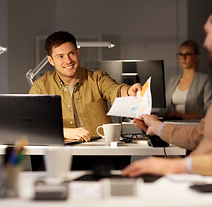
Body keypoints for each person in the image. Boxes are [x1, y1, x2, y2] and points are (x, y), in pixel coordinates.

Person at [122, 0, 212, 176]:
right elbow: (201, 136)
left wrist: (177, 167)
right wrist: (156, 127)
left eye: (208, 34)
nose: (205, 43)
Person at [29, 31, 142, 170]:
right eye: (60, 56)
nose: (68, 61)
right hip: (62, 152)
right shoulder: (41, 86)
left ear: (77, 52)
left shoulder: (97, 78)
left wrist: (129, 91)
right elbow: (31, 123)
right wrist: (63, 132)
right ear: (51, 60)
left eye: (71, 53)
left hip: (98, 153)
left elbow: (114, 90)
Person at [164, 40, 212, 120]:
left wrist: (185, 116)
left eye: (188, 54)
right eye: (181, 54)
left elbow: (210, 109)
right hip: (173, 124)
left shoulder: (204, 80)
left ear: (197, 56)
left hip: (194, 125)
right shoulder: (173, 81)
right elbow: (165, 108)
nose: (183, 58)